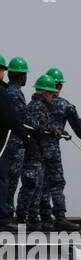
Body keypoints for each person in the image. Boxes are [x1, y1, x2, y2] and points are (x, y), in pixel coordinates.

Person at [42, 68, 81, 228]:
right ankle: (59, 216)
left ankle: (44, 216)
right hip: (52, 150)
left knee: (42, 182)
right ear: (59, 86)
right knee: (57, 182)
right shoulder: (65, 105)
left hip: (35, 150)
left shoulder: (36, 104)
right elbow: (77, 124)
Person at [17, 73, 60, 228]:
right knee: (31, 185)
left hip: (38, 154)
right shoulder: (37, 107)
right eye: (51, 93)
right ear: (46, 93)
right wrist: (50, 130)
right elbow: (36, 126)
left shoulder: (40, 107)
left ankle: (33, 218)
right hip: (32, 154)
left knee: (38, 186)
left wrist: (55, 130)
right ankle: (23, 218)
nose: (53, 96)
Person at [0, 57, 31, 230]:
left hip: (10, 142)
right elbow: (17, 119)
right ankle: (4, 217)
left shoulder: (8, 91)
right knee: (6, 180)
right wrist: (28, 137)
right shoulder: (9, 93)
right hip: (10, 143)